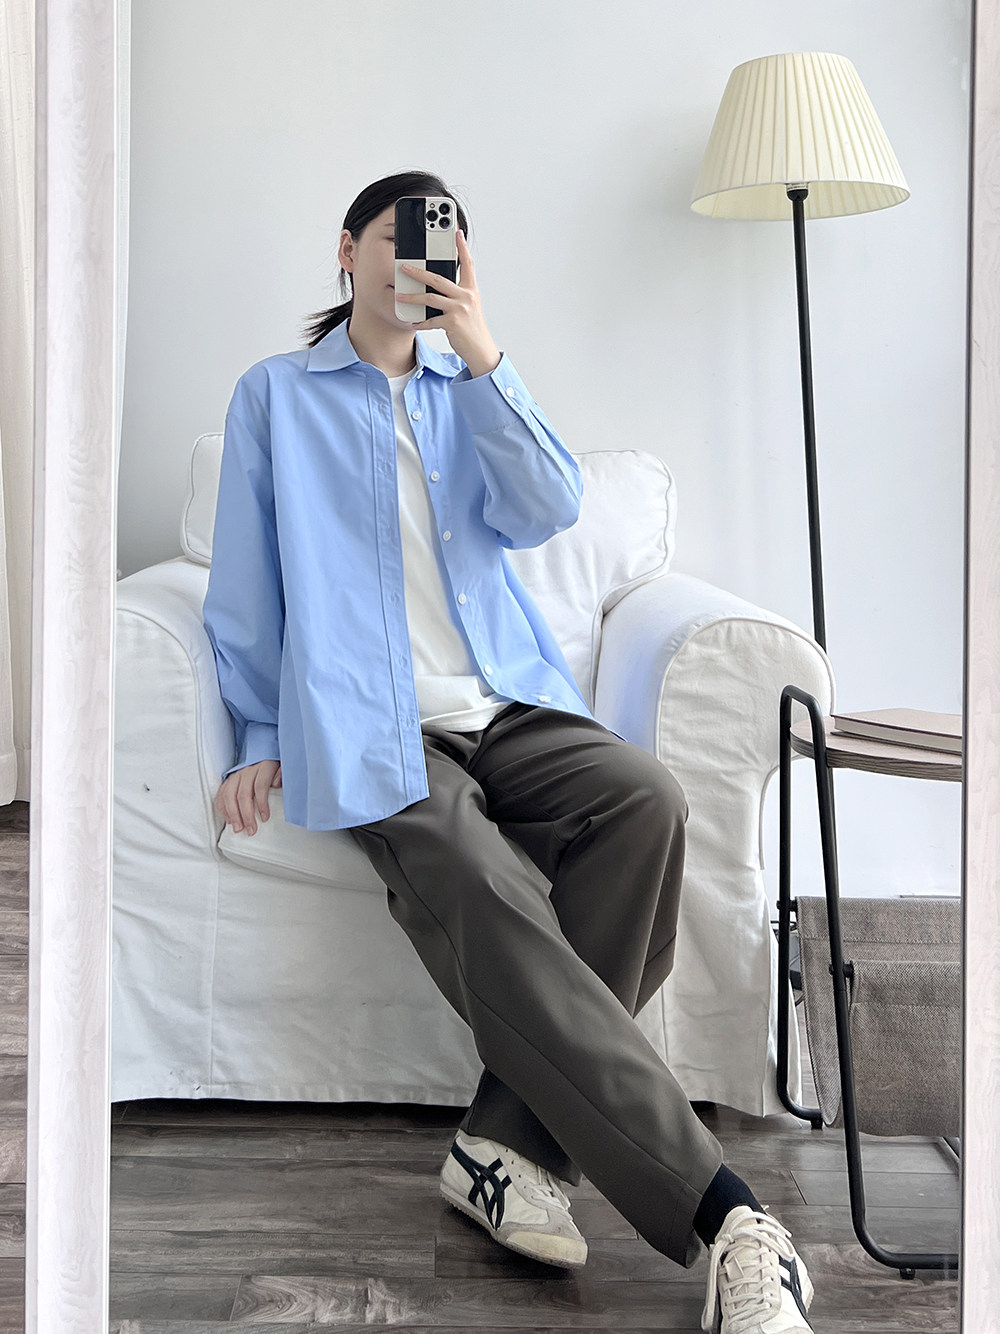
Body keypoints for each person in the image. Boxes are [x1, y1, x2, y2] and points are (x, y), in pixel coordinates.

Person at [202, 169, 818, 1334]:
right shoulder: (274, 396)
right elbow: (244, 586)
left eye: (441, 246)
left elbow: (546, 508)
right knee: (484, 881)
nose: (418, 263)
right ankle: (730, 1216)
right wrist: (258, 734)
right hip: (372, 724)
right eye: (399, 239)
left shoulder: (466, 386)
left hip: (506, 702)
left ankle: (503, 1142)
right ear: (347, 249)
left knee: (645, 799)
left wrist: (483, 353)